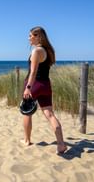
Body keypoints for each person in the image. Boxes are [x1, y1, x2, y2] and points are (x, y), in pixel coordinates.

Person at [21, 26, 67, 155]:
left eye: (31, 35)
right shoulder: (48, 51)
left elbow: (33, 72)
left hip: (34, 85)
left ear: (38, 36)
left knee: (27, 112)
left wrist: (28, 88)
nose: (29, 38)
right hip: (46, 85)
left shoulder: (37, 51)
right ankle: (61, 144)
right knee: (50, 114)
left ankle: (27, 140)